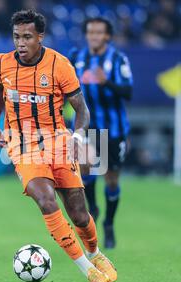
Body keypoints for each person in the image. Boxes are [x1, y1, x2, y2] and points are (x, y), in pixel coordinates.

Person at [0, 9, 117, 282]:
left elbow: (81, 109)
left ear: (40, 36)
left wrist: (79, 137)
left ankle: (95, 253)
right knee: (46, 200)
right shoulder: (1, 64)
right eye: (16, 37)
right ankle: (86, 269)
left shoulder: (60, 65)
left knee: (80, 216)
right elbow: (0, 90)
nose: (20, 43)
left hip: (58, 142)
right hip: (22, 145)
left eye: (27, 37)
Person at [69, 17, 134, 249]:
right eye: (90, 32)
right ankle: (93, 209)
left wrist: (106, 82)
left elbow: (128, 92)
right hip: (85, 125)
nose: (94, 36)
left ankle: (109, 223)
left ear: (107, 36)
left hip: (113, 128)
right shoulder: (76, 57)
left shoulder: (117, 59)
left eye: (98, 33)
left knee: (111, 178)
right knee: (85, 164)